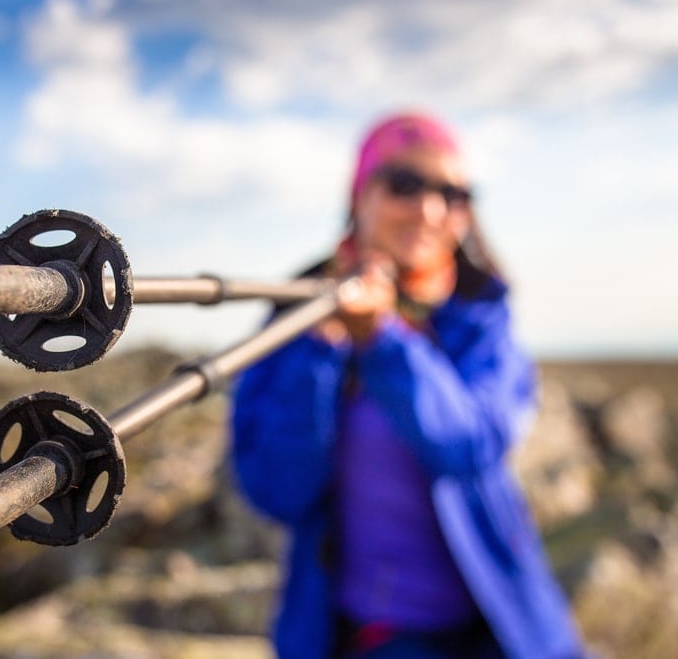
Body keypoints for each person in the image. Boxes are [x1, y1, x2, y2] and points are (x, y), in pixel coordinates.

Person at [230, 113, 587, 659]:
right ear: (358, 197)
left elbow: (472, 446)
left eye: (455, 194)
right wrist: (321, 355)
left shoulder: (481, 315)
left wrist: (381, 337)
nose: (429, 209)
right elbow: (277, 490)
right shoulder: (295, 316)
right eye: (404, 184)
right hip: (375, 637)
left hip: (507, 627)